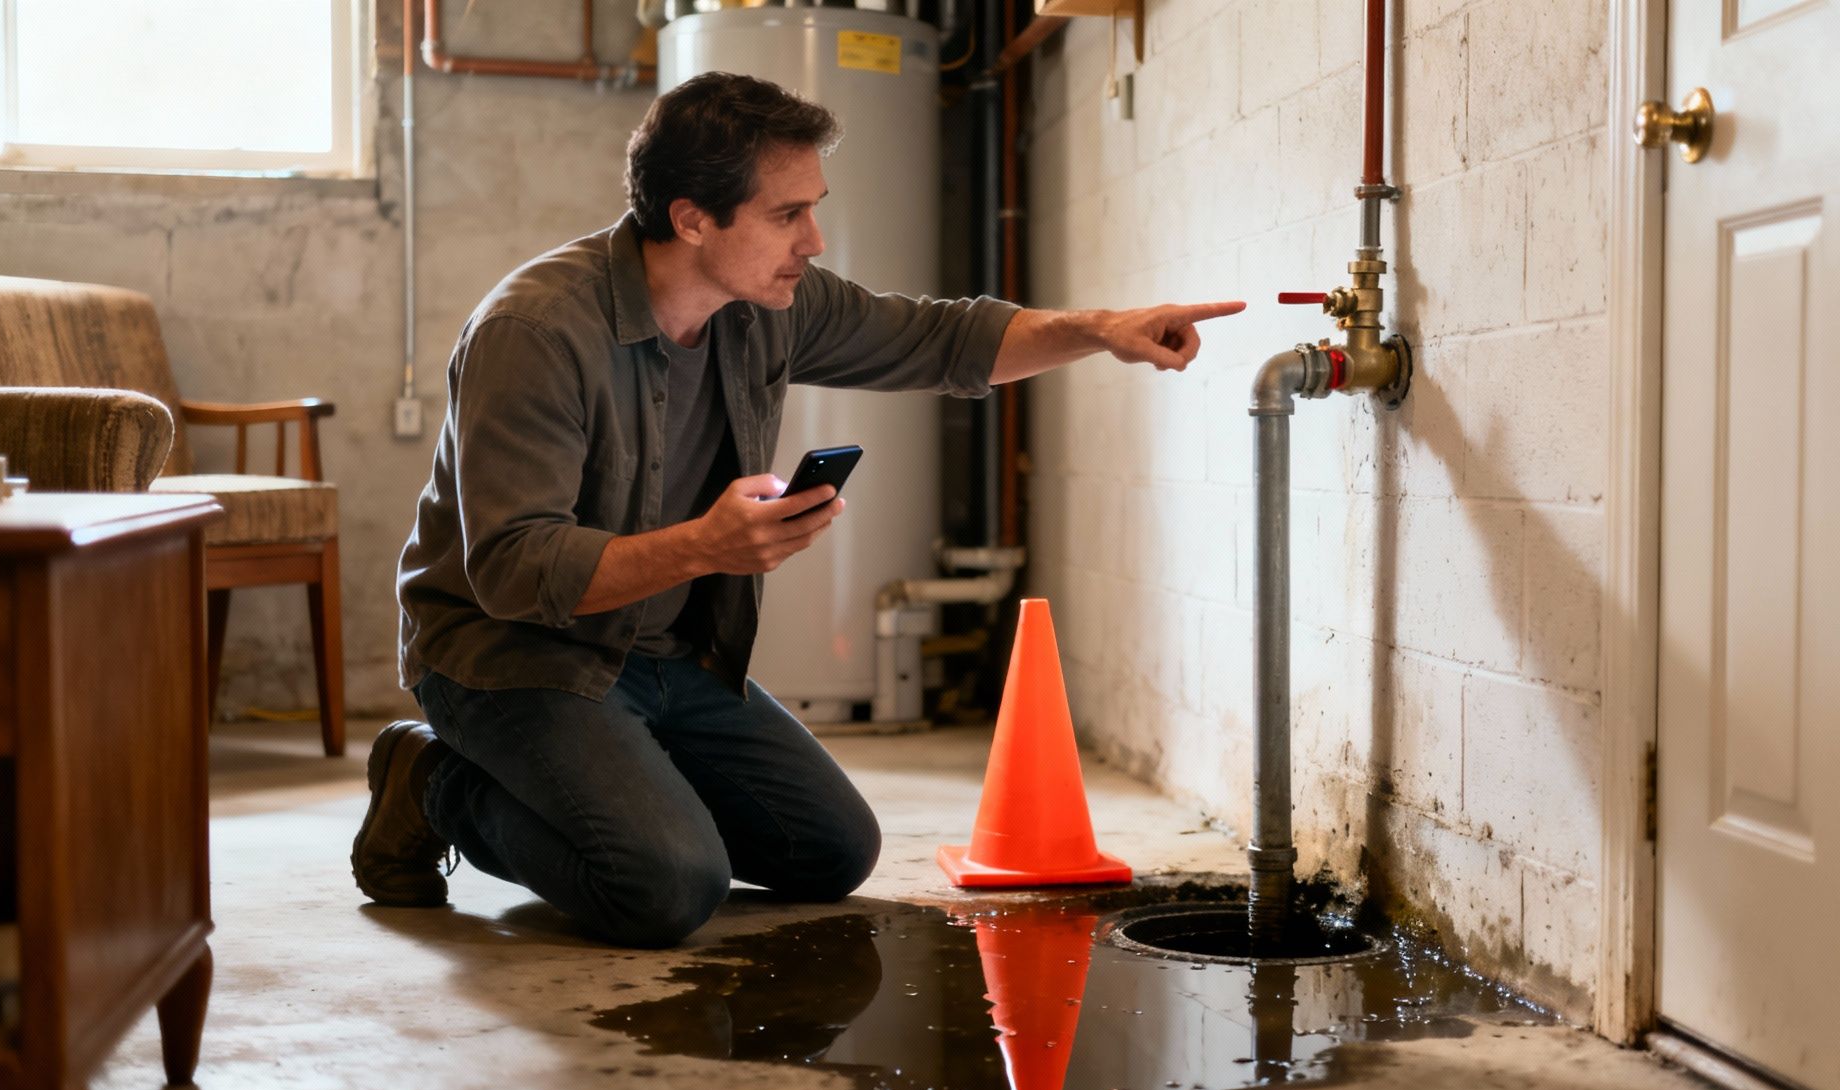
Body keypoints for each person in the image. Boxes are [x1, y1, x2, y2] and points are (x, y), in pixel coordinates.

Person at [353, 71, 1243, 947]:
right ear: (692, 217)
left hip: (669, 651)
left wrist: (1100, 331)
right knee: (664, 886)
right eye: (788, 215)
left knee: (830, 850)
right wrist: (705, 547)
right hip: (515, 656)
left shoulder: (767, 302)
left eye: (814, 207)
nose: (814, 239)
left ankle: (623, 780)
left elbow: (939, 337)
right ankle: (432, 779)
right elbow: (512, 572)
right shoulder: (536, 331)